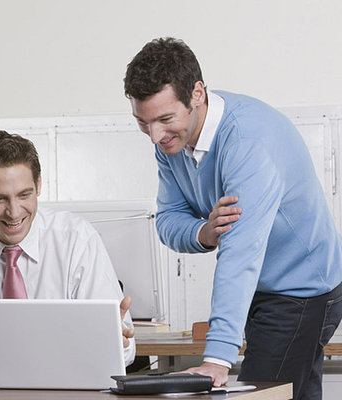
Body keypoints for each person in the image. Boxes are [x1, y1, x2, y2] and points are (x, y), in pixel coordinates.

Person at [124, 37, 342, 400]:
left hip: (302, 288)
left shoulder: (248, 142)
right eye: (143, 123)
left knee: (263, 393)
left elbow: (241, 252)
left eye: (164, 119)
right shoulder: (170, 140)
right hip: (261, 286)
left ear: (197, 94)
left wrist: (217, 358)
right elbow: (168, 221)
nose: (155, 136)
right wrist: (205, 232)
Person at [0, 130, 135, 379]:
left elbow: (122, 345)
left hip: (64, 386)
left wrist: (115, 343)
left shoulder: (77, 239)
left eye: (24, 194)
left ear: (39, 185)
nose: (14, 212)